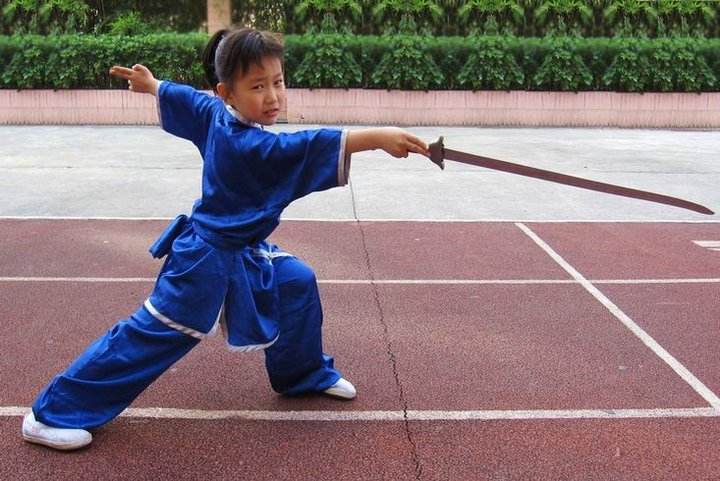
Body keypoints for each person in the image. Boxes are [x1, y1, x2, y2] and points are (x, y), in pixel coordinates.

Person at [22, 27, 430, 450]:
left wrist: (152, 85)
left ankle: (301, 374)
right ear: (228, 93)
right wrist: (377, 138)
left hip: (243, 250)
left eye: (278, 82)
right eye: (258, 86)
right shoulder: (247, 145)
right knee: (155, 333)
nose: (272, 96)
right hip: (205, 259)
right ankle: (52, 413)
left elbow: (184, 97)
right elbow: (302, 148)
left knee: (295, 281)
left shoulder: (213, 111)